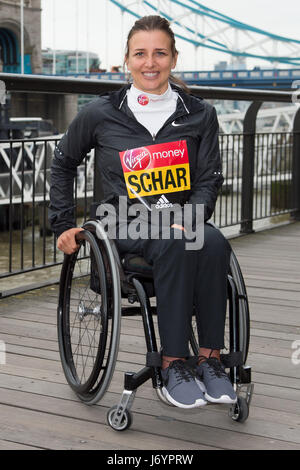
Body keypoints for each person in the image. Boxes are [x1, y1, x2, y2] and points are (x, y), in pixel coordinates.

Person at [49, 15, 237, 409]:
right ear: (127, 60)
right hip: (121, 222)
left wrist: (191, 216)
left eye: (159, 53)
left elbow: (208, 180)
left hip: (180, 220)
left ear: (173, 58)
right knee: (174, 241)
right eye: (140, 54)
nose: (150, 63)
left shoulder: (200, 114)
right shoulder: (101, 113)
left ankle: (210, 359)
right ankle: (172, 364)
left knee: (216, 241)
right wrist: (63, 223)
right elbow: (63, 161)